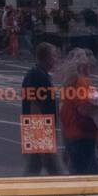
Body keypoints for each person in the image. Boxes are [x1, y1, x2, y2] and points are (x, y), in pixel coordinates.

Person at [21, 42, 62, 176]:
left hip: (40, 128)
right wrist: (39, 136)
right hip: (40, 128)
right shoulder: (38, 76)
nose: (56, 59)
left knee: (36, 166)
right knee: (49, 166)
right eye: (54, 56)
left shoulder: (38, 73)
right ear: (47, 58)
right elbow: (35, 105)